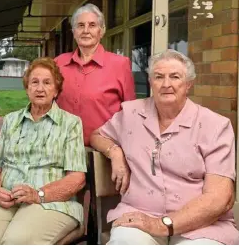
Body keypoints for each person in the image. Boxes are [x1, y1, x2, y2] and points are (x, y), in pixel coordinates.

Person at [90, 49, 239, 245]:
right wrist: (115, 152)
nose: (166, 84)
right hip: (139, 215)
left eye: (175, 77)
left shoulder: (215, 126)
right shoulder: (131, 114)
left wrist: (162, 224)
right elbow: (96, 135)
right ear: (151, 82)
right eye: (159, 77)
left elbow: (220, 198)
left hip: (201, 226)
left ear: (188, 84)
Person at [0, 57, 87, 244]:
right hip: (8, 197)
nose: (40, 88)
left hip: (51, 202)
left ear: (56, 90)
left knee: (17, 240)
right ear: (27, 88)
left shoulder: (70, 123)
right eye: (34, 82)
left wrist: (38, 195)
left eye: (47, 83)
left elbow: (77, 178)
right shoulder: (11, 120)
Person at [55, 3, 136, 147]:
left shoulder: (120, 64)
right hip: (62, 149)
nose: (86, 30)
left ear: (101, 31)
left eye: (92, 25)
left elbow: (130, 112)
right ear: (73, 31)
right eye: (80, 25)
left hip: (102, 152)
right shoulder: (59, 63)